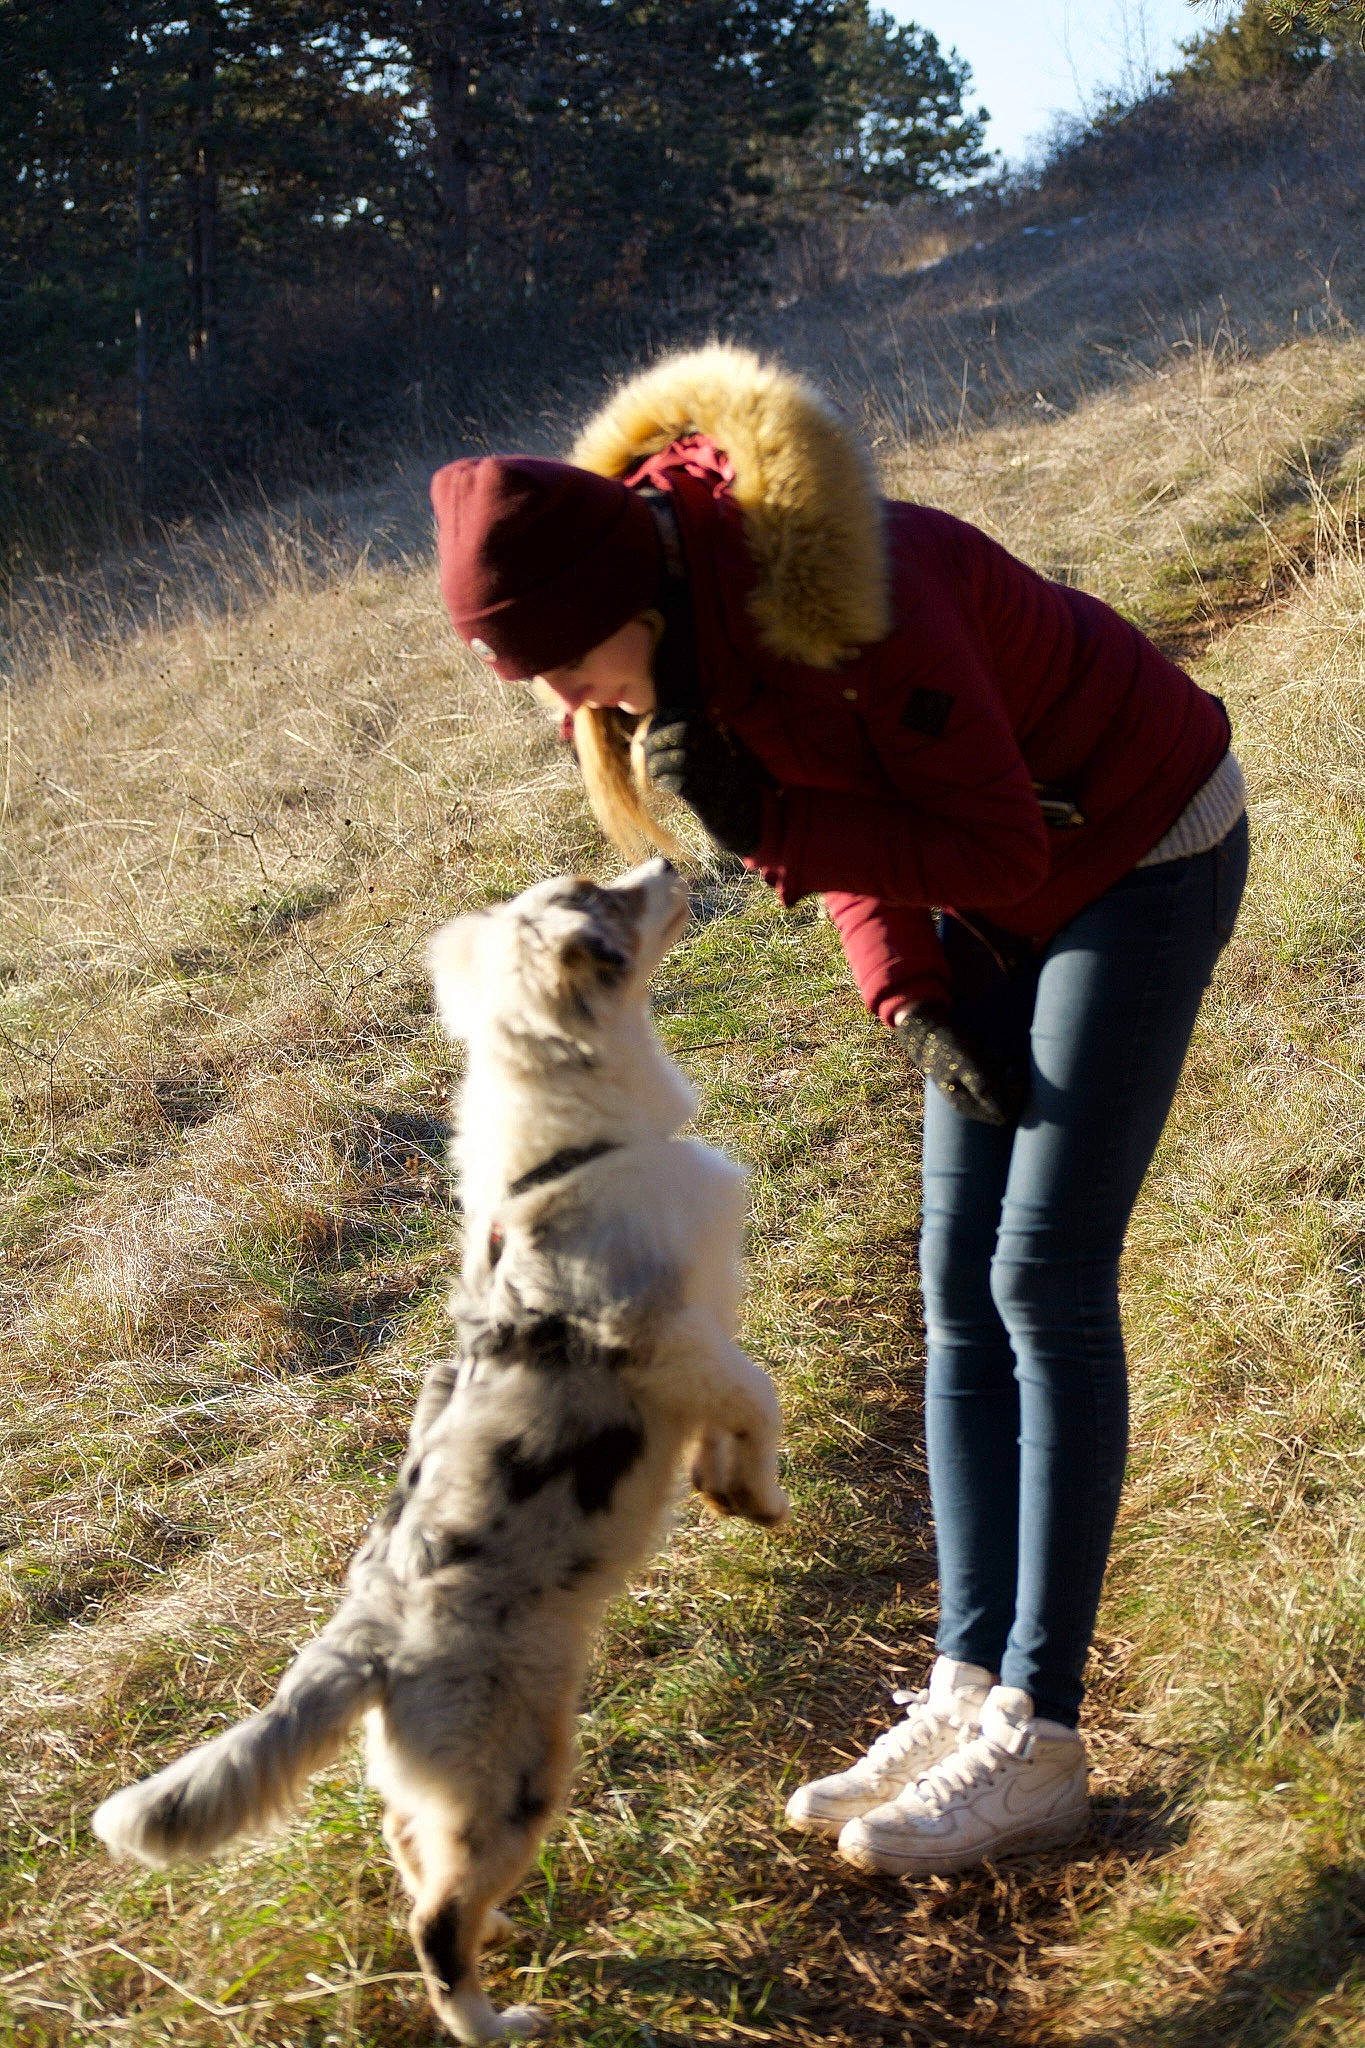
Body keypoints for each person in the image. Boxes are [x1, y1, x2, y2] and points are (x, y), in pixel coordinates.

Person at [427, 344, 1248, 1879]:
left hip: (1136, 850)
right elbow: (871, 825)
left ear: (624, 599)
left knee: (1040, 1276)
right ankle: (967, 1682)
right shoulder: (681, 643)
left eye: (556, 662)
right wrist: (910, 993)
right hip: (996, 889)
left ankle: (1040, 1736)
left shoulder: (850, 601)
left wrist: (776, 825)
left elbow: (986, 842)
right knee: (954, 1290)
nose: (557, 702)